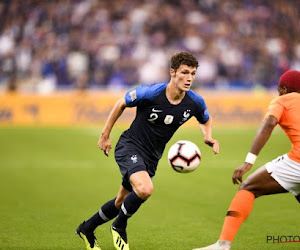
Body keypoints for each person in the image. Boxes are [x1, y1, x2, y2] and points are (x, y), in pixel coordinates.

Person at [76, 51, 219, 250]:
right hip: (130, 146)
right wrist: (105, 134)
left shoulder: (194, 102)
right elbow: (121, 103)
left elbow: (205, 118)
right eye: (185, 72)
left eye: (193, 74)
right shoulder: (151, 93)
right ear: (172, 72)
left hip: (152, 157)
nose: (189, 78)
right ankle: (119, 226)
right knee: (145, 189)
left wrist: (208, 136)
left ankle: (86, 228)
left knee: (120, 202)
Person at [193, 69, 300, 250]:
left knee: (248, 187)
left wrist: (248, 161)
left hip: (297, 162)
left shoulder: (282, 100)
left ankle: (223, 244)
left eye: (278, 90)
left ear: (284, 89)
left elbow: (269, 123)